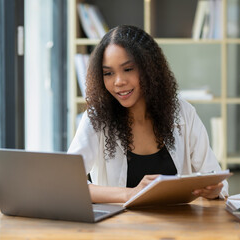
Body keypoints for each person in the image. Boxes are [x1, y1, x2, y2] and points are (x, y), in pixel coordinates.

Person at [68, 25, 228, 203]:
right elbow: (68, 184)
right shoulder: (96, 119)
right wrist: (130, 193)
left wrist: (213, 190)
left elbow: (216, 179)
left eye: (128, 69)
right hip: (119, 229)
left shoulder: (183, 112)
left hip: (179, 226)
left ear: (149, 68)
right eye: (108, 73)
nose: (118, 81)